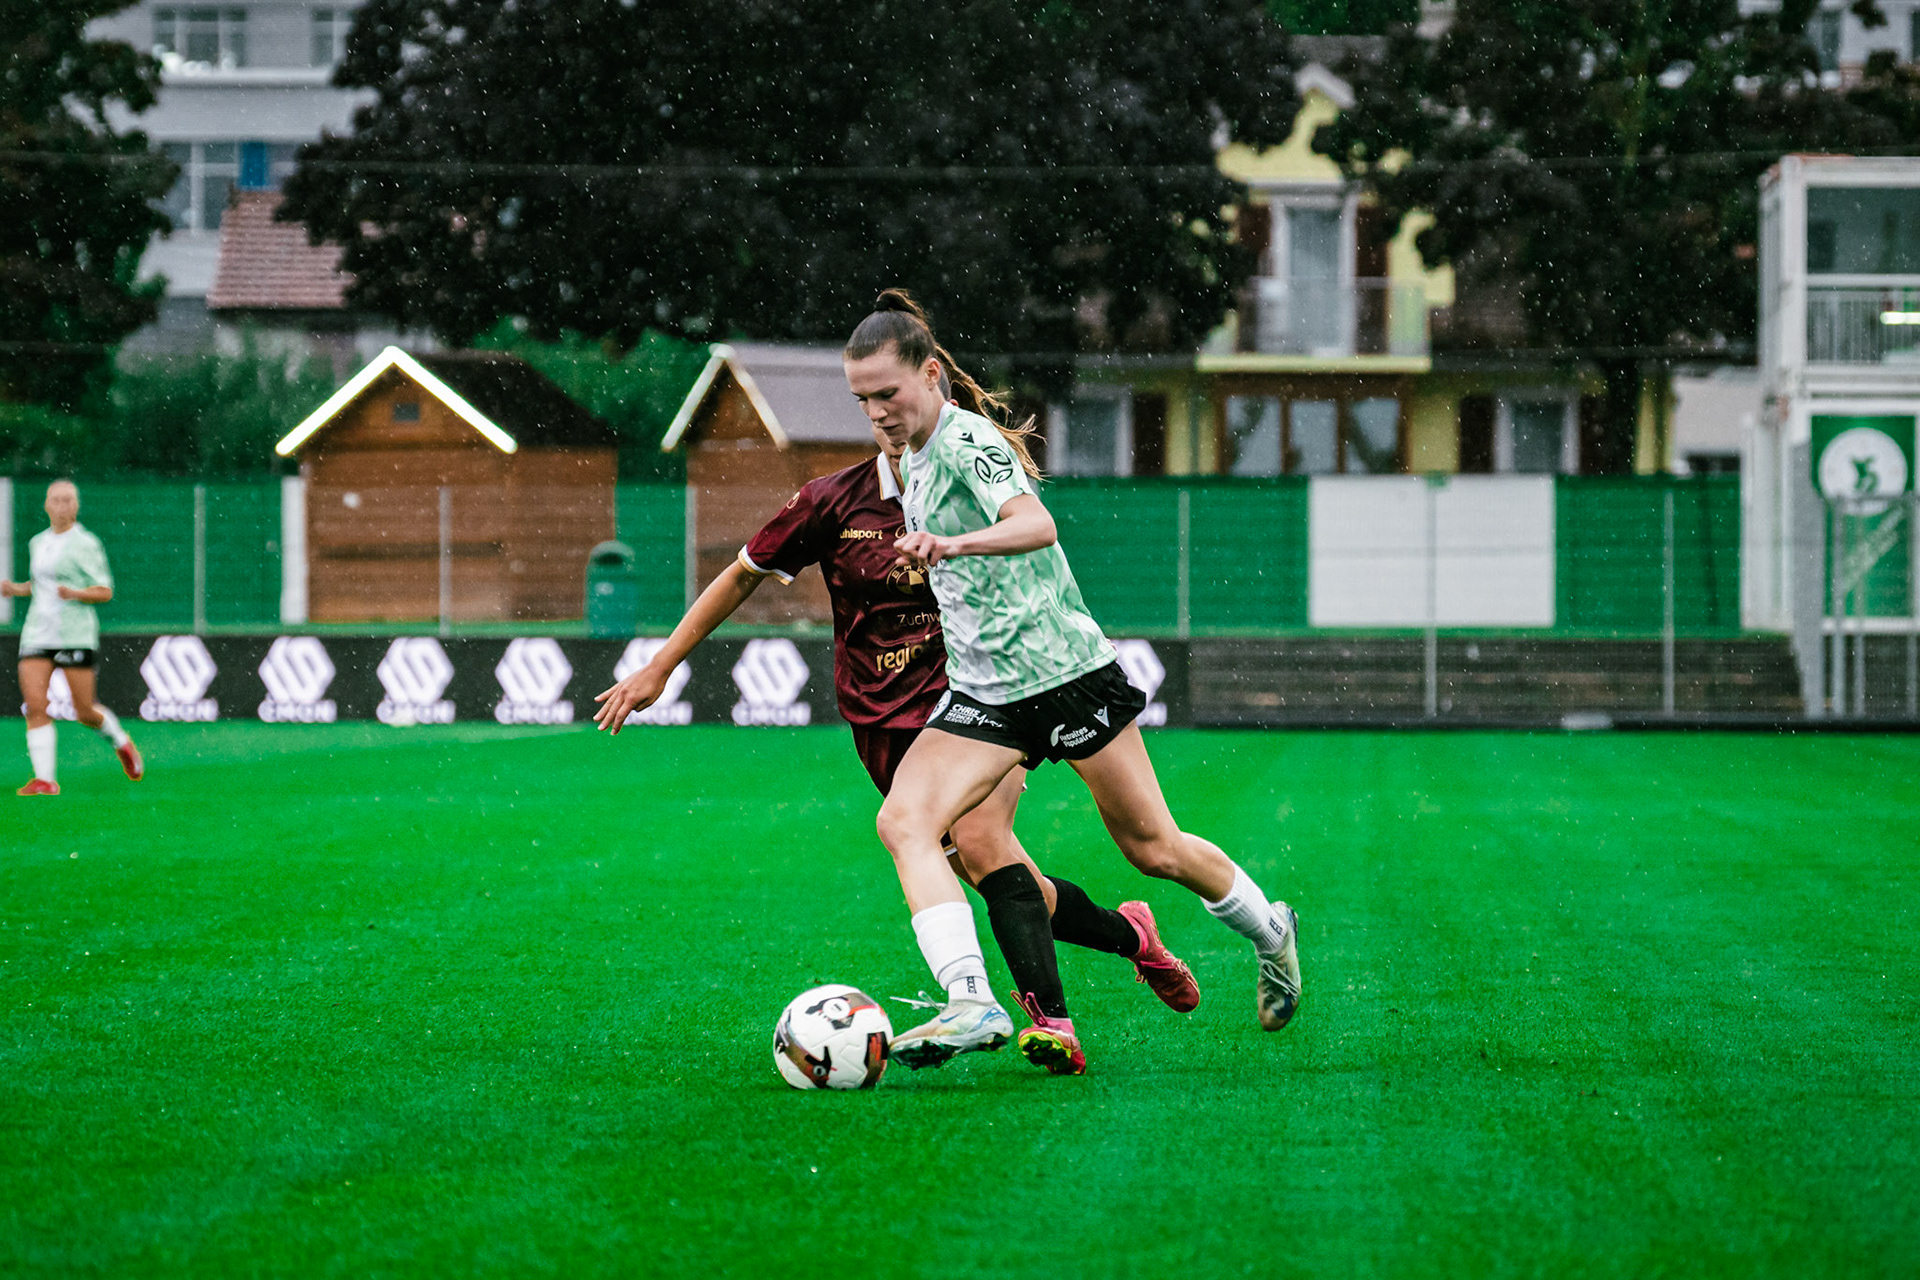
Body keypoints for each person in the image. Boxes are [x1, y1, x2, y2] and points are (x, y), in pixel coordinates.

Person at [593, 417, 1198, 1076]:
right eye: (874, 401)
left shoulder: (968, 495)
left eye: (898, 399)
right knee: (1002, 880)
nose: (891, 418)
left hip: (974, 707)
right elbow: (743, 575)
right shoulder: (831, 500)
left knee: (985, 845)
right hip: (881, 726)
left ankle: (1037, 1021)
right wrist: (662, 664)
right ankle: (1131, 935)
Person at [841, 290, 1303, 1064]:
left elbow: (1036, 523)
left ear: (929, 376)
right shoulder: (909, 456)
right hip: (987, 693)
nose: (878, 413)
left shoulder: (965, 441)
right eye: (862, 401)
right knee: (904, 823)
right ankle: (971, 1003)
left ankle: (1271, 931)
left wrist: (951, 548)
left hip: (1066, 675)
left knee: (1152, 847)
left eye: (887, 394)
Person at [3, 480, 143, 795]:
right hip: (38, 631)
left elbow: (105, 590)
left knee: (84, 711)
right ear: (46, 505)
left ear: (76, 506)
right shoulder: (38, 542)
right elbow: (42, 586)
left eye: (69, 500)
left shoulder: (86, 543)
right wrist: (17, 589)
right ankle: (45, 780)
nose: (63, 506)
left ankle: (121, 743)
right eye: (56, 500)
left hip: (74, 634)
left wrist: (77, 593)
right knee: (35, 704)